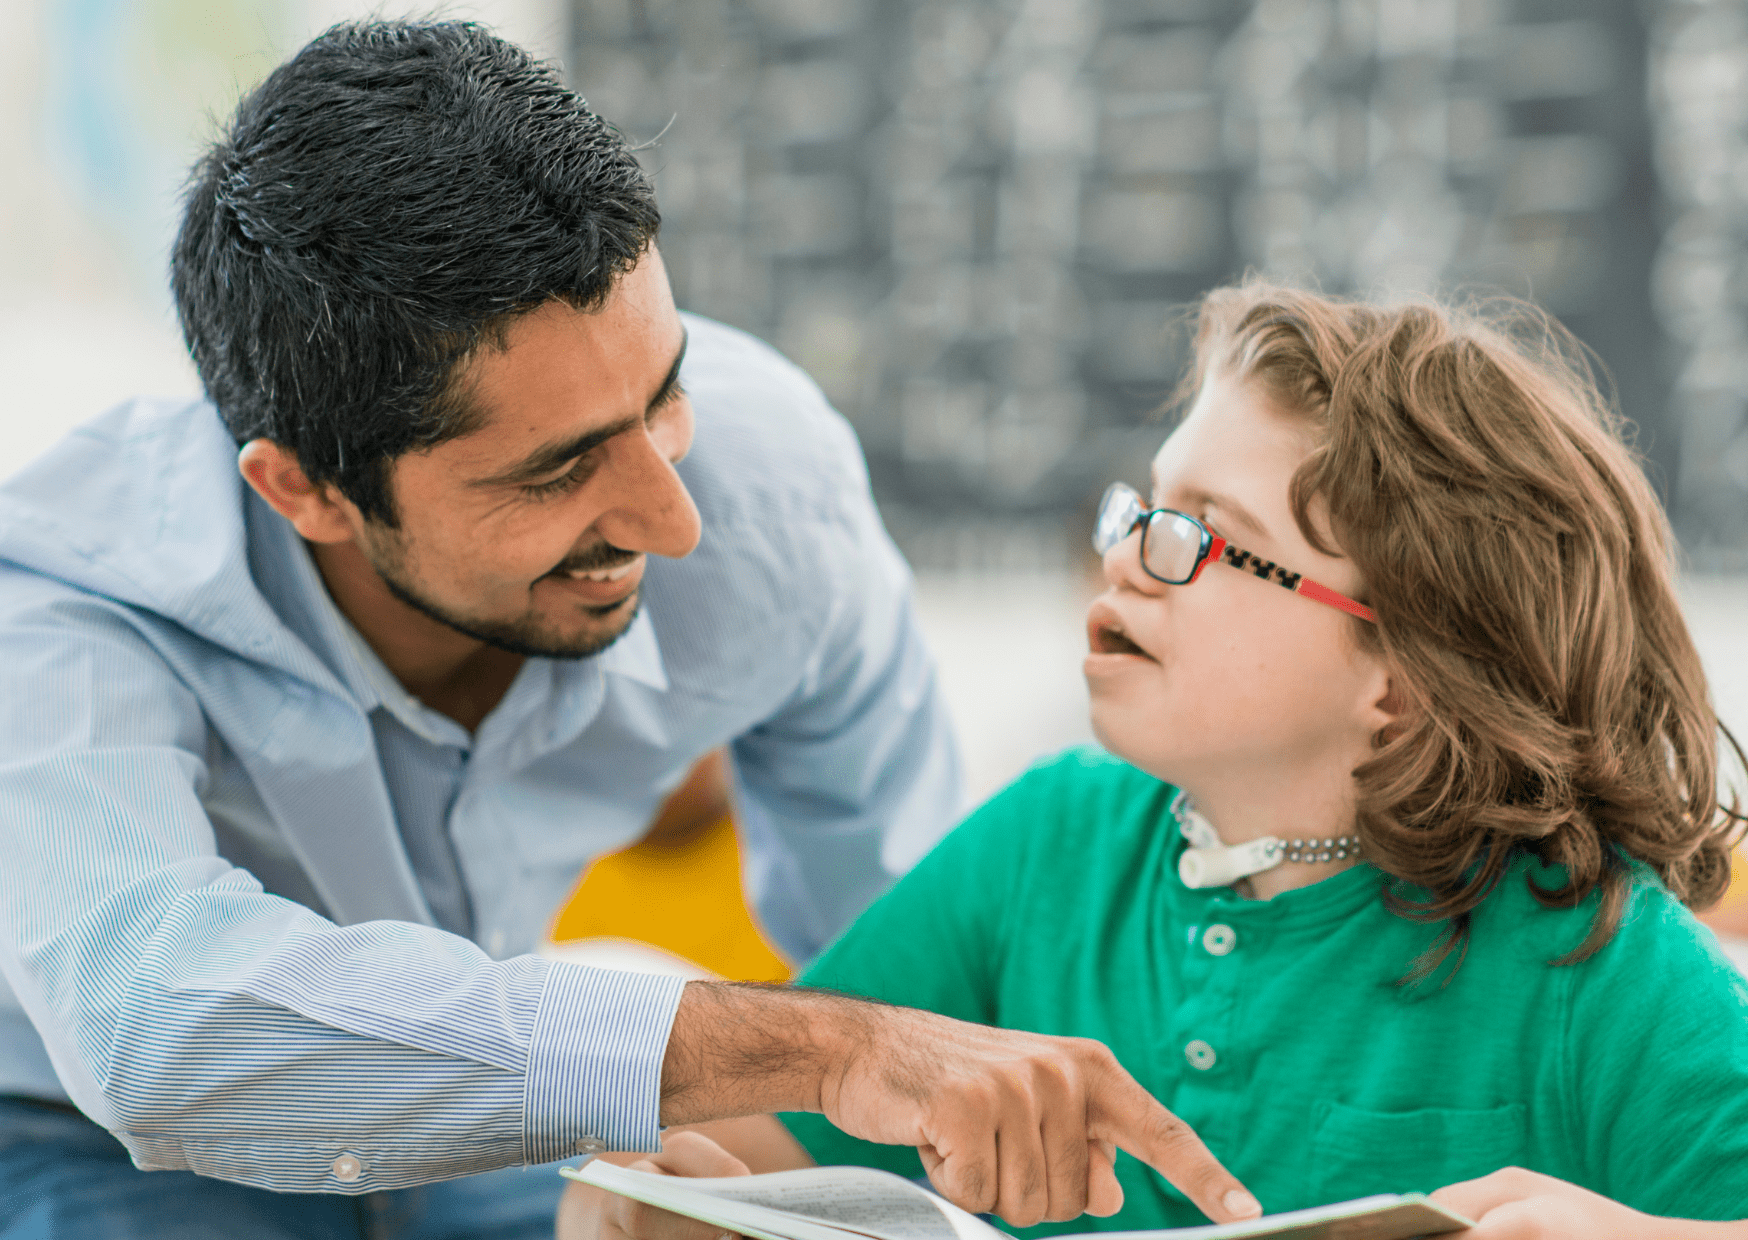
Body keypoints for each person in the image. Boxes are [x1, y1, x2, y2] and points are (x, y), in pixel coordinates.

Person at [0, 20, 1256, 1239]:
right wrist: (813, 1051)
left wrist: (824, 1140)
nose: (671, 519)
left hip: (485, 1127)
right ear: (305, 491)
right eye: (554, 473)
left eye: (664, 397)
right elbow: (157, 1026)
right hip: (79, 1133)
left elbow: (902, 943)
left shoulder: (774, 495)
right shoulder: (62, 609)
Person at [558, 280, 1748, 1240]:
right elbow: (769, 1152)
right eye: (1140, 508)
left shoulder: (1592, 950)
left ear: (1405, 679)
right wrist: (664, 1192)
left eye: (1201, 535)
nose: (1127, 555)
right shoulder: (1045, 843)